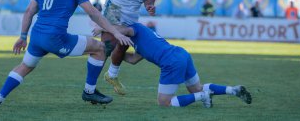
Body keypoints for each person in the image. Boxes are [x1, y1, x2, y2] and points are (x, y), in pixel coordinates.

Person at [0, 0, 133, 107]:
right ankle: (89, 92)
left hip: (37, 36)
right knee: (100, 48)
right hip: (55, 38)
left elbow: (29, 11)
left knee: (25, 66)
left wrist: (23, 37)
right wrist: (115, 32)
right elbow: (93, 13)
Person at [94, 23, 252, 108]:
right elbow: (133, 60)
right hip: (181, 54)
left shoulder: (134, 28)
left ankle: (203, 96)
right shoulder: (141, 41)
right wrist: (112, 52)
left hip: (171, 62)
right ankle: (233, 90)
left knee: (164, 103)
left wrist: (103, 27)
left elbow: (124, 29)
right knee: (197, 87)